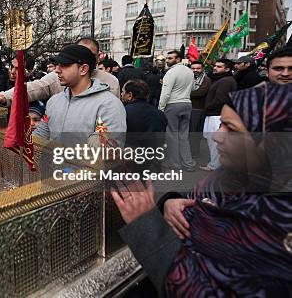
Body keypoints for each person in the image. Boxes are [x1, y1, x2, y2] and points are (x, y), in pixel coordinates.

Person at [112, 82, 292, 297]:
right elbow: (195, 204)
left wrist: (146, 225)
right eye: (221, 125)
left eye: (231, 129)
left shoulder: (279, 225)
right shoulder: (229, 176)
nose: (217, 137)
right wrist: (171, 202)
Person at [0, 37, 120, 107]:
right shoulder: (55, 103)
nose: (58, 70)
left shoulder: (110, 87)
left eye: (90, 55)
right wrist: (4, 97)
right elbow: (33, 88)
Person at [33, 44, 126, 144]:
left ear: (83, 69)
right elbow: (41, 135)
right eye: (57, 65)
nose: (57, 70)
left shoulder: (109, 105)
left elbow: (107, 150)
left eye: (64, 65)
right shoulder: (54, 101)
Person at [159, 50, 195, 171]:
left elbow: (165, 93)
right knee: (184, 136)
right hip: (187, 104)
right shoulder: (190, 71)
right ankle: (188, 164)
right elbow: (193, 88)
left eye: (170, 58)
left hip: (173, 105)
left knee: (172, 136)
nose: (167, 60)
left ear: (178, 59)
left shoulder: (171, 72)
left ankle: (175, 164)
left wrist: (161, 109)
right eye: (167, 58)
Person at [200, 58, 237, 171]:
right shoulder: (222, 79)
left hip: (217, 115)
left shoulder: (226, 81)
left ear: (227, 69)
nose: (215, 68)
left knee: (215, 142)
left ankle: (215, 165)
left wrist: (207, 107)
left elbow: (220, 99)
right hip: (215, 114)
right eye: (215, 66)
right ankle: (215, 164)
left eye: (219, 66)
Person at [121, 80, 167, 169]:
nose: (121, 94)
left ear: (130, 95)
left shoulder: (123, 112)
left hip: (131, 160)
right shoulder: (159, 113)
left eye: (123, 92)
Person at [189, 61, 211, 159]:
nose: (195, 71)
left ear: (202, 69)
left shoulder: (206, 80)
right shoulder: (188, 78)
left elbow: (200, 93)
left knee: (194, 133)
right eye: (193, 68)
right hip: (188, 108)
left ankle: (194, 152)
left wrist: (183, 93)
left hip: (198, 109)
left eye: (198, 68)